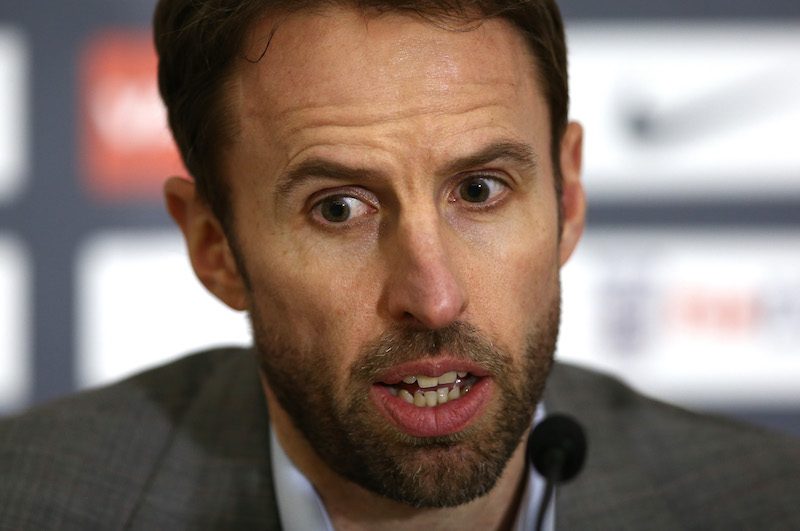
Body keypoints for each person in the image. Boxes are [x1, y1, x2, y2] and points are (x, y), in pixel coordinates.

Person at [1, 0, 799, 529]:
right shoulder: (31, 501)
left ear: (567, 196)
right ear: (216, 247)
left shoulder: (765, 504)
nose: (435, 297)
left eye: (480, 190)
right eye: (338, 208)